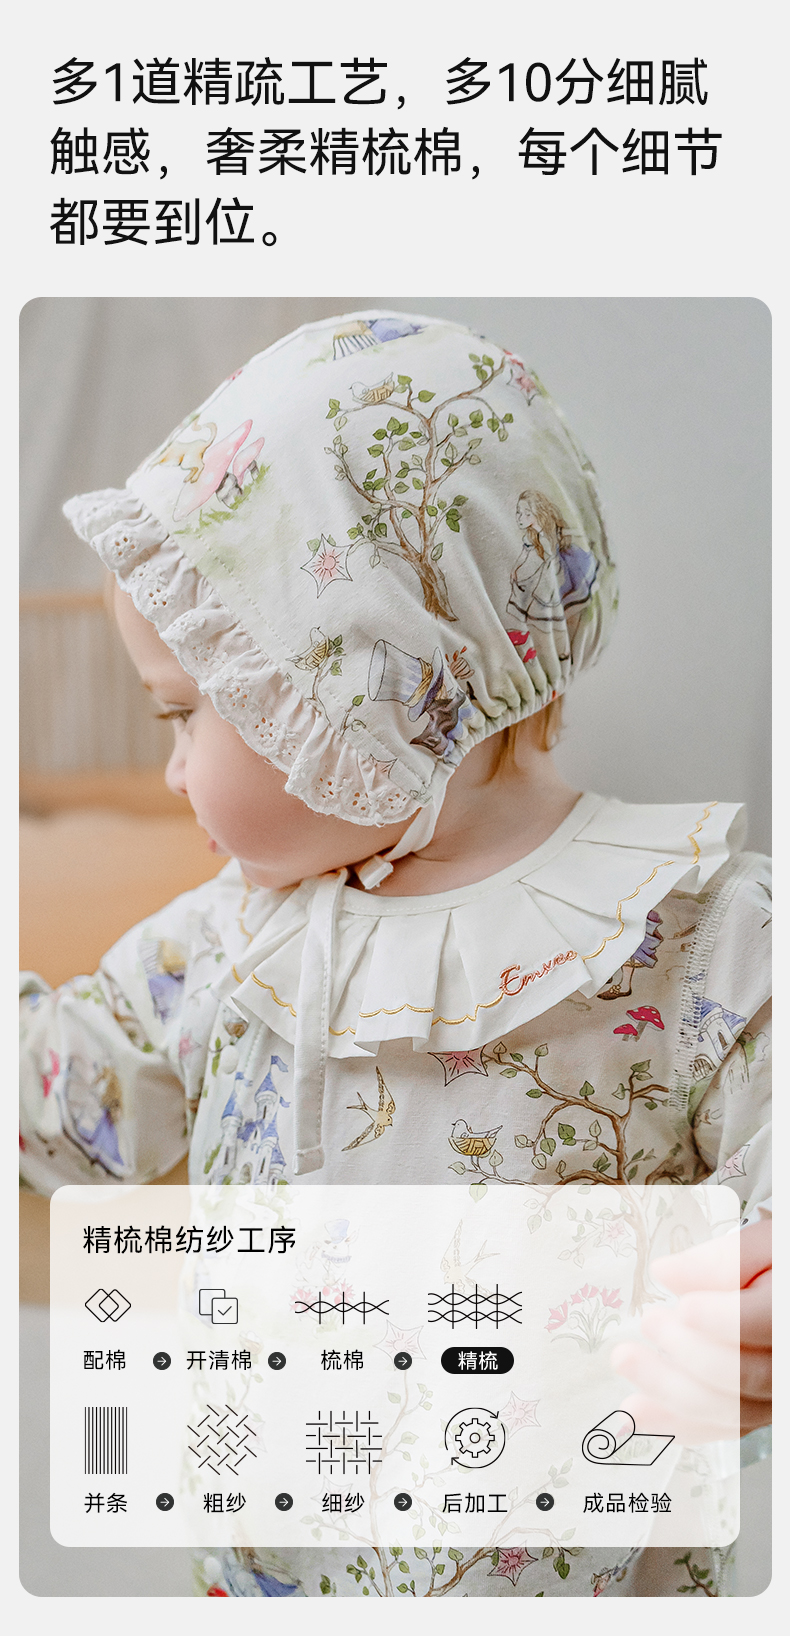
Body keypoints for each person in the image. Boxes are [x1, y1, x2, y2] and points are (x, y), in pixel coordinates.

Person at [20, 311, 770, 1598]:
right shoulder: (232, 938)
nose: (174, 768)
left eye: (185, 713)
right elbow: (72, 1090)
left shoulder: (698, 934)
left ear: (358, 684)